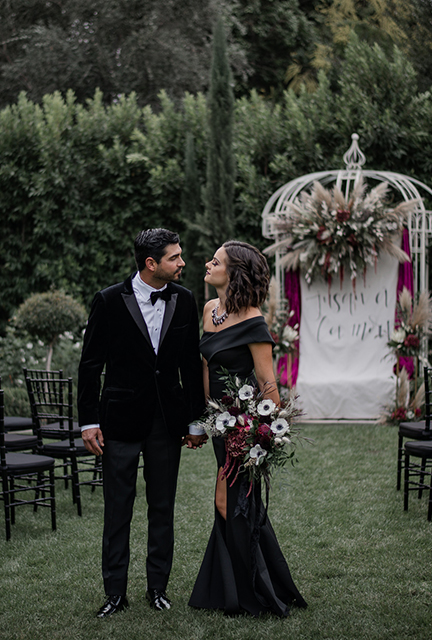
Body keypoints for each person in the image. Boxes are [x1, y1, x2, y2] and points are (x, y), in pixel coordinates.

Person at [78, 228, 207, 618]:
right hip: (118, 420)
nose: (182, 263)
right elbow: (90, 366)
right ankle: (115, 594)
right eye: (175, 257)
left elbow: (189, 364)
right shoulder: (108, 300)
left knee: (162, 507)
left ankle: (157, 589)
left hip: (167, 422)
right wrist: (88, 422)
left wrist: (195, 421)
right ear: (151, 263)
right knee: (118, 509)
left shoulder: (184, 300)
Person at [188, 240, 307, 617]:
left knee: (230, 502)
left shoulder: (254, 320)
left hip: (242, 427)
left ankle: (251, 591)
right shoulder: (209, 310)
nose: (208, 264)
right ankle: (242, 585)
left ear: (234, 272)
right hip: (217, 425)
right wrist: (202, 421)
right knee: (240, 504)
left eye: (216, 261)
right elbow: (205, 367)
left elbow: (267, 383)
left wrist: (264, 432)